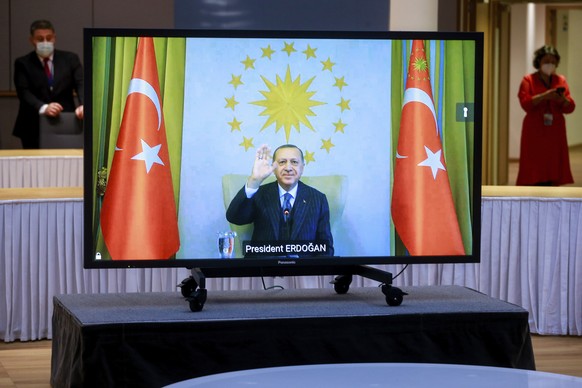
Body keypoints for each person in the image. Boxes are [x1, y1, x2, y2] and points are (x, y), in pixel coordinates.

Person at [226, 144, 334, 256]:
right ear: (273, 168)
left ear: (302, 167)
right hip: (263, 269)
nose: (288, 168)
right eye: (282, 162)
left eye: (294, 162)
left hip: (303, 270)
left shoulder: (318, 199)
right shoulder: (258, 193)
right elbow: (234, 218)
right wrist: (254, 180)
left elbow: (325, 247)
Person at [13, 19, 84, 149]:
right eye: (40, 39)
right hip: (32, 124)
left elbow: (81, 84)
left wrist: (84, 105)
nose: (45, 42)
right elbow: (23, 92)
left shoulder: (70, 59)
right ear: (32, 40)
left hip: (66, 121)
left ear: (54, 38)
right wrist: (44, 107)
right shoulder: (23, 63)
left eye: (48, 38)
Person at [516, 45, 576, 186]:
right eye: (546, 61)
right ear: (539, 62)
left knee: (554, 160)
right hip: (534, 129)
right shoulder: (528, 80)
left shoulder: (560, 80)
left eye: (553, 61)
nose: (550, 64)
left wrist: (561, 99)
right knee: (534, 160)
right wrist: (544, 96)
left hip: (555, 129)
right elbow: (525, 104)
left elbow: (570, 107)